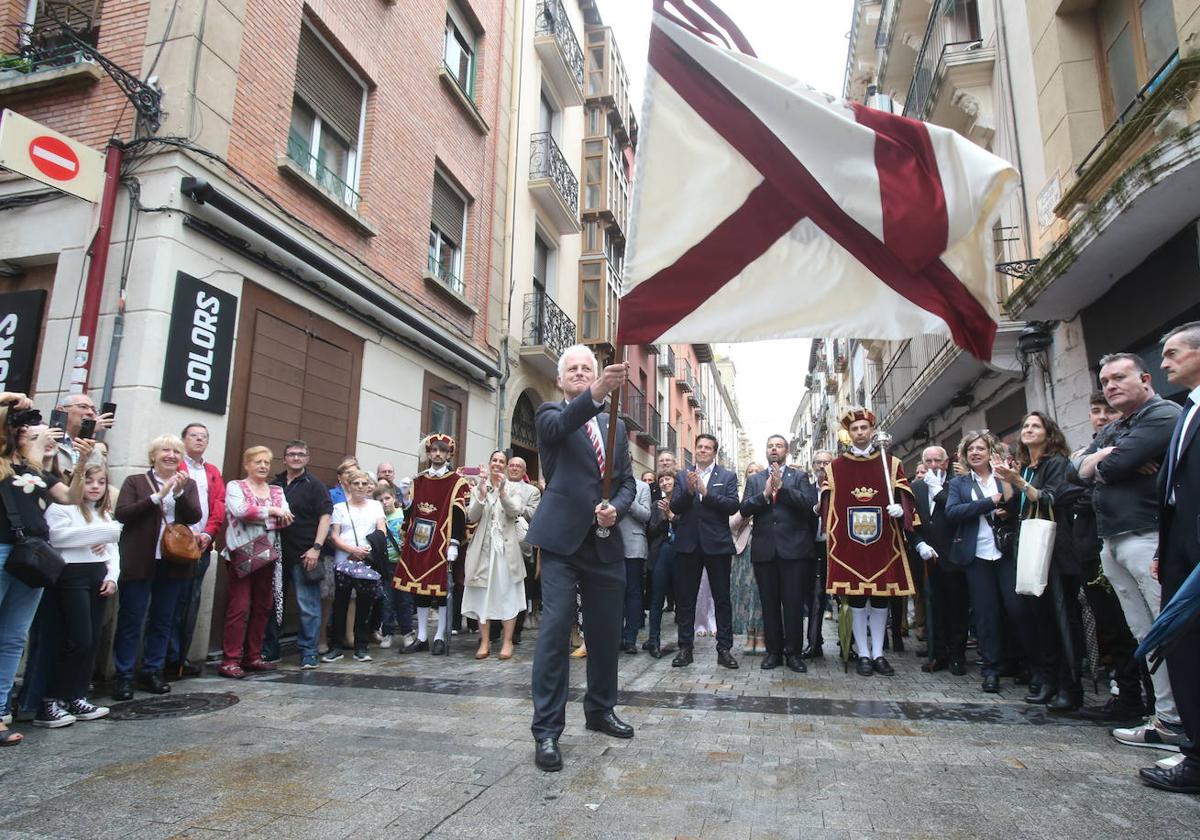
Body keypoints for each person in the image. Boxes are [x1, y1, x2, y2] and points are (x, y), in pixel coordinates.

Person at [527, 344, 636, 772]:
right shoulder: (551, 415)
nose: (578, 372)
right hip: (560, 542)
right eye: (572, 369)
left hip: (604, 541)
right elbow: (565, 425)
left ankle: (600, 710)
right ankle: (547, 732)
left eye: (586, 368)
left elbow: (626, 482)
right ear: (561, 380)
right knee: (555, 632)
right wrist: (597, 391)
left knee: (606, 632)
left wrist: (619, 508)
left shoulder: (617, 429)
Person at [1078, 352, 1185, 750]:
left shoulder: (1163, 414)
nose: (1111, 387)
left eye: (1119, 378)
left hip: (1149, 536)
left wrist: (1103, 460)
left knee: (1168, 630)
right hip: (1113, 540)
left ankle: (1184, 723)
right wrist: (1104, 456)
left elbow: (1108, 467)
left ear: (1145, 377)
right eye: (1105, 382)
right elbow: (1078, 468)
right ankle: (1168, 720)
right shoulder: (1120, 425)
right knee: (1146, 634)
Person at [1139, 321, 1200, 793]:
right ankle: (1194, 750)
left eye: (1173, 353)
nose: (1163, 363)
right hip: (1179, 548)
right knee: (1182, 648)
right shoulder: (1186, 410)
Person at [995, 412, 1086, 711]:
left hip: (1055, 551)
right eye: (1025, 425)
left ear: (1050, 434)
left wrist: (1017, 480)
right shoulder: (1028, 469)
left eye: (1036, 425)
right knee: (1039, 618)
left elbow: (1049, 498)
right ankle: (1048, 679)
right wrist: (1012, 480)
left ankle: (1069, 686)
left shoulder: (1056, 464)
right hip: (1031, 547)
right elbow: (1015, 506)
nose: (1028, 429)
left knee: (1061, 618)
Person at [821, 408, 919, 678]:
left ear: (872, 431)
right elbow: (827, 507)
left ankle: (879, 653)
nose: (860, 432)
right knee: (856, 597)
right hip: (850, 545)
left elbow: (906, 497)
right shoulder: (835, 468)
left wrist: (902, 509)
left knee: (879, 598)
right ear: (848, 434)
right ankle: (863, 653)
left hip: (883, 542)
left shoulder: (892, 463)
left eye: (864, 428)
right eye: (855, 429)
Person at [0, 396, 71, 746]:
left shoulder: (28, 469)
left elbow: (70, 497)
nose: (26, 430)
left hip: (31, 557)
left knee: (13, 638)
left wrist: (84, 454)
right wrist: (7, 401)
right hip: (1, 552)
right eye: (19, 426)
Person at [112, 435, 202, 700]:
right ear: (153, 455)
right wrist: (158, 496)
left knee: (163, 620)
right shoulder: (135, 482)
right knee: (131, 618)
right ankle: (123, 676)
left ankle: (153, 670)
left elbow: (195, 516)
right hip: (140, 559)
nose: (171, 455)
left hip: (173, 562)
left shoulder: (189, 484)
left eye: (176, 451)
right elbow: (123, 514)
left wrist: (179, 494)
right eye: (165, 450)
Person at [945, 431, 1036, 693]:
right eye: (971, 449)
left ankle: (1026, 664)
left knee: (1017, 609)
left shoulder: (1003, 476)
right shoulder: (960, 484)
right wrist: (988, 502)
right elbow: (953, 512)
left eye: (980, 449)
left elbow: (1016, 504)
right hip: (978, 556)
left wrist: (1004, 499)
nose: (975, 453)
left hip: (1006, 552)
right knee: (986, 615)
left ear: (990, 452)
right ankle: (991, 669)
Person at [1073, 392, 1144, 722]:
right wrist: (1099, 462)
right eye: (1096, 411)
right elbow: (1075, 485)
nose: (1101, 417)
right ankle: (1125, 693)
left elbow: (1090, 489)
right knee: (1111, 626)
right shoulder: (1090, 450)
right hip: (1092, 547)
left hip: (1125, 541)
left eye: (1109, 411)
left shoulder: (1137, 444)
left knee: (1134, 625)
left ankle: (1142, 696)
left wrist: (1097, 471)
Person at [39, 462, 121, 727]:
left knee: (92, 639)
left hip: (96, 577)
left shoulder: (104, 515)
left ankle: (76, 695)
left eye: (100, 482)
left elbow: (112, 549)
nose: (95, 487)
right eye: (89, 481)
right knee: (78, 639)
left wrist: (112, 577)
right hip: (70, 576)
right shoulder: (62, 508)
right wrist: (98, 535)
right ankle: (51, 700)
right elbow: (57, 537)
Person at [741, 436, 818, 673]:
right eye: (770, 446)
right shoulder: (755, 479)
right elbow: (744, 508)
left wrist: (781, 489)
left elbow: (809, 504)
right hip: (765, 550)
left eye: (779, 445)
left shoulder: (799, 476)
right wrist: (764, 494)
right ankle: (773, 651)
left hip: (794, 550)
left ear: (787, 451)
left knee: (793, 603)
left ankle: (793, 652)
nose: (774, 449)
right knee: (769, 603)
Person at [219, 446, 292, 678]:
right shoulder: (235, 486)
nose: (263, 466)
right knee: (238, 607)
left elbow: (287, 518)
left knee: (263, 606)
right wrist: (271, 511)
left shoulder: (277, 490)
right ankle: (230, 659)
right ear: (247, 464)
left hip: (268, 555)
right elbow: (239, 511)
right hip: (240, 554)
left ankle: (253, 656)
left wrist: (261, 515)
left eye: (266, 463)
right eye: (258, 462)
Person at [670, 434, 741, 669]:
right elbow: (675, 507)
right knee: (685, 599)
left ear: (714, 452)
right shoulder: (682, 475)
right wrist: (690, 492)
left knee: (722, 599)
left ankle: (724, 649)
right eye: (699, 447)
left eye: (707, 447)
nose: (702, 450)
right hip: (688, 544)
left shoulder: (728, 476)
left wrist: (707, 493)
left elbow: (732, 506)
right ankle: (685, 648)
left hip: (717, 544)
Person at [394, 435, 468, 655]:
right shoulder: (419, 480)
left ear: (449, 454)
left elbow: (458, 514)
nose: (437, 454)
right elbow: (411, 513)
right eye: (434, 450)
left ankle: (439, 637)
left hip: (441, 542)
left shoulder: (457, 482)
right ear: (428, 453)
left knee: (442, 589)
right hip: (419, 542)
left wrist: (454, 542)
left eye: (442, 451)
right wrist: (406, 499)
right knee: (420, 590)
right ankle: (422, 636)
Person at [266, 440, 333, 669]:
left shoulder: (315, 485)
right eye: (291, 454)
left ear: (307, 458)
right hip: (275, 555)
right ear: (284, 459)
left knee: (308, 606)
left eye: (301, 454)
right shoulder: (274, 485)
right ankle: (270, 649)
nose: (296, 458)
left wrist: (316, 548)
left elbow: (325, 517)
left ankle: (308, 652)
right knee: (273, 604)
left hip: (305, 554)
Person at [167, 422, 225, 677]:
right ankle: (165, 659)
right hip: (176, 544)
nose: (199, 440)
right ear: (183, 440)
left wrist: (208, 533)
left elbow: (219, 504)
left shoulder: (212, 471)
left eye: (204, 436)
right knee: (170, 603)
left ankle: (181, 658)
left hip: (201, 545)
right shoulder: (175, 466)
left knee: (191, 603)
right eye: (194, 436)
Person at [462, 450, 526, 660]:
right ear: (489, 464)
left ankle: (507, 641)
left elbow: (515, 511)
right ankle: (484, 641)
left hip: (506, 551)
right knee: (482, 595)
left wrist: (503, 493)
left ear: (506, 466)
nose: (497, 464)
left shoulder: (515, 487)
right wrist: (481, 493)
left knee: (508, 594)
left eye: (501, 461)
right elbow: (472, 516)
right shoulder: (480, 487)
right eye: (494, 461)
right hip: (483, 549)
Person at [910, 446, 968, 675]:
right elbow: (911, 522)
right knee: (934, 608)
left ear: (946, 463)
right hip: (927, 558)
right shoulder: (915, 488)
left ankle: (957, 656)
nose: (934, 465)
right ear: (923, 463)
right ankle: (937, 654)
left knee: (957, 608)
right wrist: (919, 543)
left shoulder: (958, 484)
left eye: (938, 460)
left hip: (954, 555)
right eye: (929, 461)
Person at [325, 469, 385, 662]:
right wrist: (351, 549)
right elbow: (334, 535)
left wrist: (364, 551)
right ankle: (336, 646)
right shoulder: (340, 508)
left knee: (364, 604)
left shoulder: (376, 506)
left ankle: (361, 646)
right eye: (356, 483)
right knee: (340, 603)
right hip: (344, 559)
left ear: (369, 486)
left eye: (364, 483)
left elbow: (381, 530)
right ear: (348, 485)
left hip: (367, 560)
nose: (360, 487)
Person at [505, 456, 540, 644]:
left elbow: (533, 513)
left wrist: (511, 504)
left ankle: (516, 629)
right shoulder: (499, 484)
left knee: (520, 589)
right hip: (499, 543)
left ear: (524, 470)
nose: (514, 468)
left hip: (520, 545)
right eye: (511, 465)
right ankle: (494, 629)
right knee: (498, 586)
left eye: (518, 466)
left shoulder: (532, 491)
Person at [374, 482, 413, 650]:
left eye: (387, 498)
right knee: (387, 600)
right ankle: (388, 631)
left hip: (402, 563)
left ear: (394, 498)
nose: (385, 502)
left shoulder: (402, 514)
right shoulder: (377, 519)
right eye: (380, 500)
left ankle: (407, 632)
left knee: (404, 599)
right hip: (386, 564)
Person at [730, 462, 764, 656]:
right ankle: (749, 635)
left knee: (760, 594)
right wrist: (745, 513)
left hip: (763, 549)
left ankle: (762, 635)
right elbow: (732, 524)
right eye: (749, 471)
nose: (752, 475)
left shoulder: (768, 498)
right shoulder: (741, 499)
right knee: (745, 594)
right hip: (742, 552)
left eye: (756, 472)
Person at [644, 470, 678, 659]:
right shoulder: (656, 505)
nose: (665, 482)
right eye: (662, 480)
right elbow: (651, 530)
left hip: (680, 552)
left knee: (683, 599)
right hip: (660, 552)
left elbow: (686, 525)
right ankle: (653, 641)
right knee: (657, 598)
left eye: (668, 479)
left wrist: (672, 515)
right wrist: (664, 519)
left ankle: (685, 643)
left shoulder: (683, 502)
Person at [617, 470, 652, 654]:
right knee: (614, 594)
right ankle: (615, 638)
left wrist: (628, 500)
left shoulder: (642, 487)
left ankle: (630, 638)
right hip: (610, 547)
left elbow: (646, 515)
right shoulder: (607, 484)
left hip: (634, 546)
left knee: (633, 593)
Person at [805, 449, 835, 658]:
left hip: (837, 549)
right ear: (813, 465)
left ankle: (848, 646)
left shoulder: (842, 489)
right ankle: (813, 643)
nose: (822, 466)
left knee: (842, 600)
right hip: (812, 548)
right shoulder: (805, 489)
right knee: (815, 597)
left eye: (826, 462)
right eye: (818, 463)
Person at [52, 393, 113, 478]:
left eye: (93, 409)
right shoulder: (49, 441)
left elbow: (97, 481)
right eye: (83, 407)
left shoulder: (94, 451)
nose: (90, 413)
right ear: (61, 410)